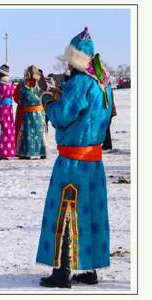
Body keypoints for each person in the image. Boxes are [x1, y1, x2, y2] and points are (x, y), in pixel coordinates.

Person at [36, 27, 113, 288]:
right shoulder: (103, 82)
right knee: (90, 211)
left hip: (73, 162)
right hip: (94, 160)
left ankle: (62, 270)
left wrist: (47, 99)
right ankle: (89, 268)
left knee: (66, 211)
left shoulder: (80, 82)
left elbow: (61, 116)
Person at [14, 65, 47, 159]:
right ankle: (41, 152)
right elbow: (45, 94)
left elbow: (20, 98)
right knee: (38, 132)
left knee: (28, 133)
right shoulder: (40, 83)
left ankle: (27, 153)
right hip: (39, 112)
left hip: (29, 112)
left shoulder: (23, 84)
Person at [0, 64, 16, 159]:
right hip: (9, 108)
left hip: (2, 109)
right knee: (9, 129)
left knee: (2, 129)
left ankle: (2, 152)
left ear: (1, 74)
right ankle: (9, 151)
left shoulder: (1, 85)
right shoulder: (10, 84)